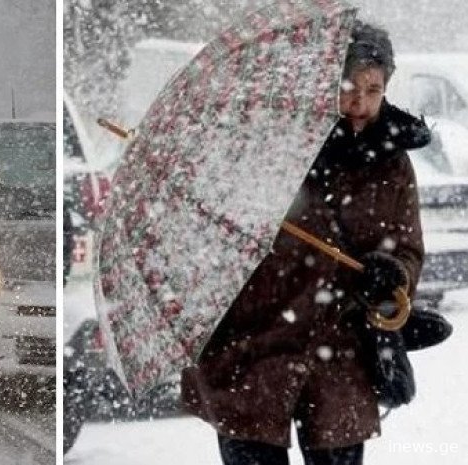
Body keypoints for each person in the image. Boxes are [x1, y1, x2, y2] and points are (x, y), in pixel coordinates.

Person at [182, 21, 431, 465]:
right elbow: (223, 235)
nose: (360, 103)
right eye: (348, 88)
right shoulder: (271, 143)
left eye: (373, 90)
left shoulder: (392, 161)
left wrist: (392, 275)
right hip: (256, 344)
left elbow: (407, 248)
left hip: (340, 351)